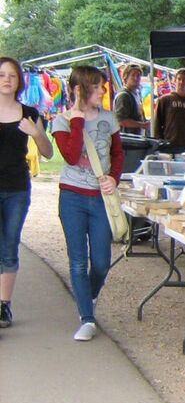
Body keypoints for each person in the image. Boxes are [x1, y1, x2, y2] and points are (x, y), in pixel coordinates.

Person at [52, 66, 123, 341]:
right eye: (96, 87)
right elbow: (70, 155)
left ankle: (88, 295)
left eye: (102, 86)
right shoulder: (62, 120)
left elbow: (118, 154)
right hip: (72, 196)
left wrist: (114, 179)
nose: (103, 91)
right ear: (80, 89)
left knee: (103, 262)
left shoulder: (109, 118)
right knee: (78, 261)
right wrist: (78, 119)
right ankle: (87, 317)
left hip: (100, 198)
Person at [0, 57, 54, 328]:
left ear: (19, 80)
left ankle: (3, 306)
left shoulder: (30, 113)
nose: (7, 79)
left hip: (17, 189)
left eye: (12, 75)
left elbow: (47, 152)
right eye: (1, 75)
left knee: (9, 247)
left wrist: (36, 133)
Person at [154, 68, 185, 153]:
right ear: (175, 81)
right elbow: (157, 124)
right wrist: (158, 143)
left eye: (184, 80)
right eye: (179, 79)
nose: (181, 82)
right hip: (167, 146)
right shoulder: (164, 100)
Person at [113, 63, 149, 133]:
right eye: (133, 75)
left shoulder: (136, 94)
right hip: (127, 140)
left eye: (138, 75)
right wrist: (142, 125)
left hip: (136, 138)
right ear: (126, 77)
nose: (136, 78)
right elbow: (120, 120)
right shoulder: (124, 96)